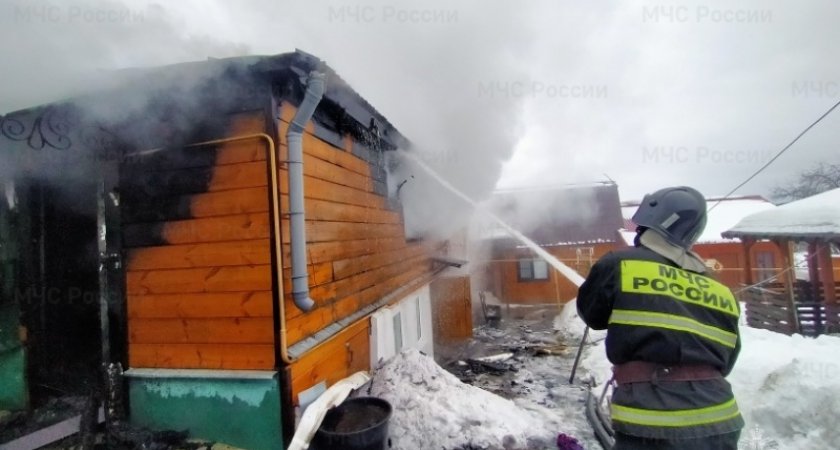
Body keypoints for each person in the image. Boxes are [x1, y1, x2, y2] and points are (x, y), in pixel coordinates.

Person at [577, 186, 743, 450]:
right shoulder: (721, 289)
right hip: (721, 421)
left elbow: (592, 316)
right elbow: (728, 359)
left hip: (652, 423)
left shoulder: (620, 264)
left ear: (648, 222)